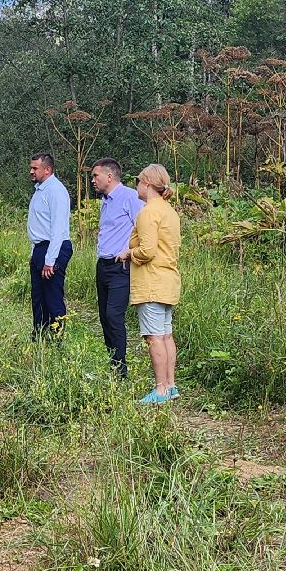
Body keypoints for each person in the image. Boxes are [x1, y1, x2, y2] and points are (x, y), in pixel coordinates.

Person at [128, 163, 182, 403]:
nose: (137, 186)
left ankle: (160, 390)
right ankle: (171, 385)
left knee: (154, 337)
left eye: (138, 181)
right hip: (168, 279)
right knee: (166, 335)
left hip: (151, 281)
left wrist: (129, 253)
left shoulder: (149, 212)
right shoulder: (169, 211)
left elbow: (147, 250)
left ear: (147, 184)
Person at [90, 158, 142, 378]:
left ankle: (121, 370)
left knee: (113, 315)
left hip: (121, 266)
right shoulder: (106, 201)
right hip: (103, 265)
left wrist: (130, 252)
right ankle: (113, 364)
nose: (93, 180)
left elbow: (145, 228)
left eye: (96, 176)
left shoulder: (130, 197)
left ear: (109, 176)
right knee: (104, 316)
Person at [26, 151, 72, 339]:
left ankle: (57, 338)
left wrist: (50, 260)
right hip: (41, 249)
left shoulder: (56, 191)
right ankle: (39, 335)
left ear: (47, 169)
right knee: (38, 297)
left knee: (52, 297)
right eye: (31, 167)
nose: (31, 171)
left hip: (54, 248)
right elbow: (39, 226)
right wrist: (35, 253)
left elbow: (58, 229)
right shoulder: (40, 190)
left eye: (35, 168)